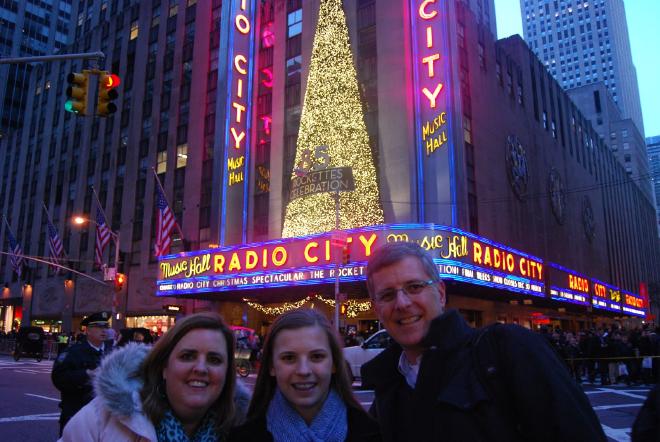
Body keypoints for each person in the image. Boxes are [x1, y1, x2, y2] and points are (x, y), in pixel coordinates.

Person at [361, 242, 606, 442]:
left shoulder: (510, 349)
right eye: (387, 295)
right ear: (377, 308)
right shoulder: (385, 389)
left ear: (441, 293)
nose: (402, 303)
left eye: (414, 287)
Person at [60, 312, 251, 441]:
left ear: (227, 373)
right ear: (164, 367)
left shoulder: (248, 431)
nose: (201, 368)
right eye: (187, 356)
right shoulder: (101, 419)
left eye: (214, 359)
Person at [228, 308, 380, 442]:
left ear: (334, 364)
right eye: (289, 358)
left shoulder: (374, 433)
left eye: (317, 356)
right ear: (271, 366)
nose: (303, 370)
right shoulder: (241, 436)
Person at [52, 311, 111, 436]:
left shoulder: (112, 352)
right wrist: (86, 374)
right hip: (77, 412)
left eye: (106, 327)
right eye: (98, 327)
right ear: (88, 331)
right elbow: (58, 377)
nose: (103, 330)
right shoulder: (74, 352)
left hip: (104, 415)